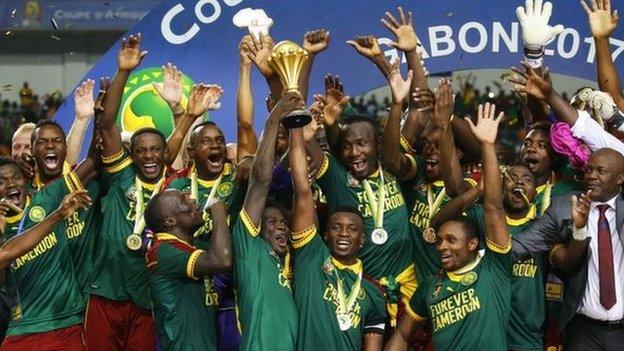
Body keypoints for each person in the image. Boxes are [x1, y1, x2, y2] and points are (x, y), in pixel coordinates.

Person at [387, 103, 512, 350]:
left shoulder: (493, 270)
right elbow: (402, 335)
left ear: (473, 244)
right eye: (441, 240)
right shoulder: (430, 287)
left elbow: (493, 208)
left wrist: (487, 145)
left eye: (451, 240)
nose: (442, 246)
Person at [289, 113, 387, 350]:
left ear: (362, 239)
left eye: (352, 229)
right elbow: (302, 190)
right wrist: (298, 133)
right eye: (336, 228)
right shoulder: (311, 256)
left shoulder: (373, 293)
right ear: (325, 235)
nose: (344, 233)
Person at [512, 147, 624, 350]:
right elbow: (524, 244)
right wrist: (481, 255)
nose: (591, 176)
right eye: (589, 170)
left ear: (620, 178)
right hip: (583, 330)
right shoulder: (564, 206)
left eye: (601, 171)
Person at [231, 92, 301, 350]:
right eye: (271, 221)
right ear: (257, 228)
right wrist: (274, 120)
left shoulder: (289, 262)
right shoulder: (250, 248)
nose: (281, 225)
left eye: (283, 221)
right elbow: (260, 181)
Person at [144, 190, 232, 350]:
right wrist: (219, 213)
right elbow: (222, 260)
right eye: (184, 200)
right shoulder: (163, 251)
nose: (193, 200)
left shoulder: (195, 248)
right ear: (170, 221)